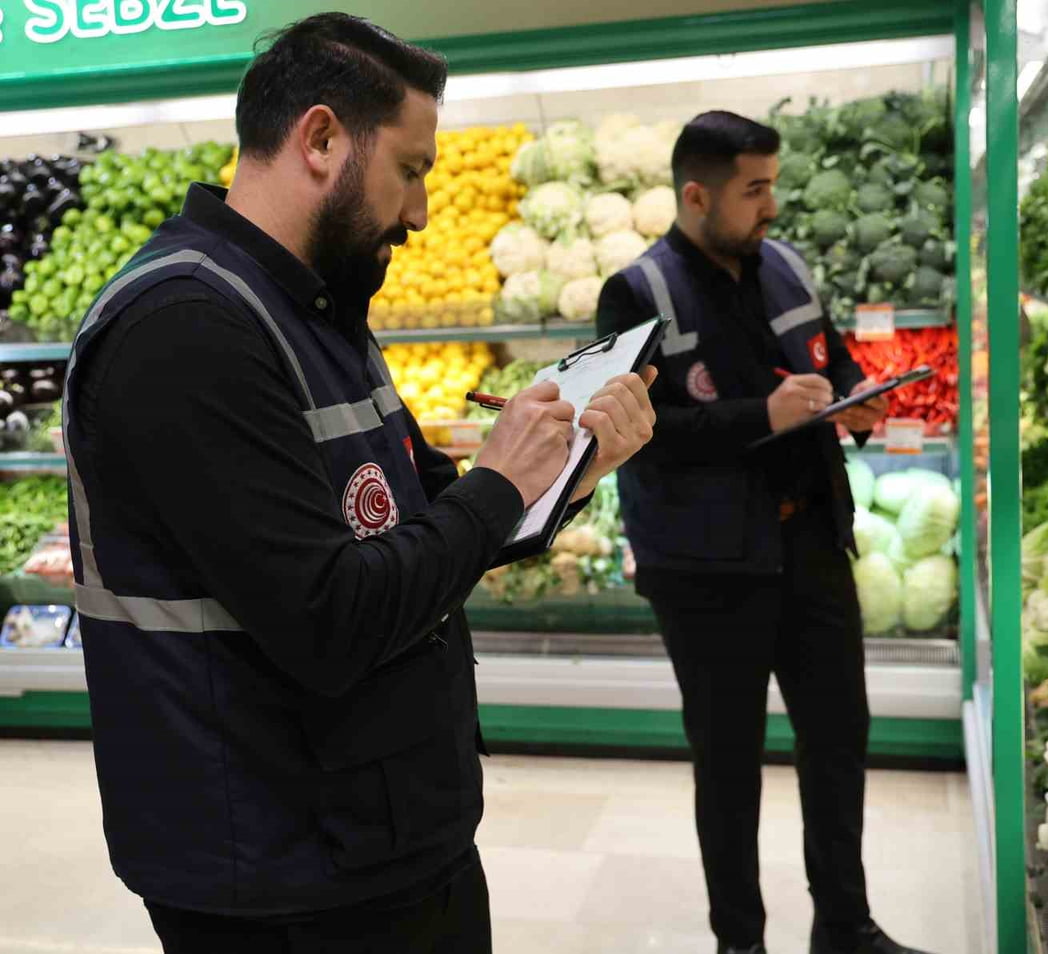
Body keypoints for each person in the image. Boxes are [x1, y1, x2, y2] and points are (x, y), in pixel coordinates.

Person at [63, 14, 656, 954]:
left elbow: (420, 522)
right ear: (322, 138)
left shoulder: (317, 304)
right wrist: (500, 483)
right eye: (411, 169)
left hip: (373, 831)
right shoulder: (186, 329)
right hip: (276, 870)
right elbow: (329, 621)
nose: (420, 211)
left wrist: (566, 470)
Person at [596, 111, 930, 954]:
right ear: (697, 195)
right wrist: (760, 416)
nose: (771, 205)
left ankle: (845, 925)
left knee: (838, 740)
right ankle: (740, 940)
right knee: (729, 762)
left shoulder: (784, 264)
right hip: (705, 569)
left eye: (774, 185)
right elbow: (634, 431)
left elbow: (832, 361)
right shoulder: (638, 294)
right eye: (754, 190)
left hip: (811, 544)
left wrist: (860, 399)